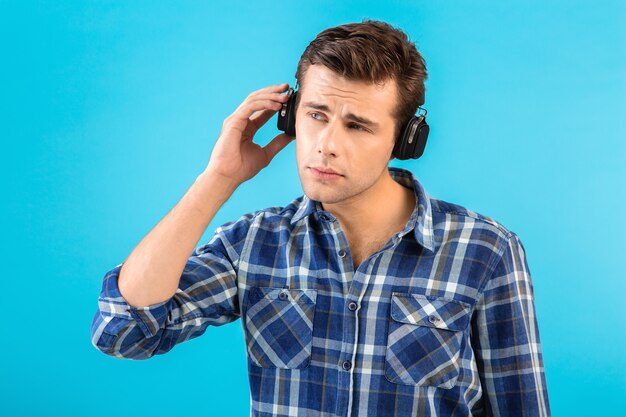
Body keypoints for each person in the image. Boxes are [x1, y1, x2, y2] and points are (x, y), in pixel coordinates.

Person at [91, 19, 550, 417]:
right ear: (290, 116)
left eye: (357, 125)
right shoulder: (255, 242)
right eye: (316, 115)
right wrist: (219, 179)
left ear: (405, 140)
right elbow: (125, 332)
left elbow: (520, 405)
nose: (325, 144)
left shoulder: (486, 250)